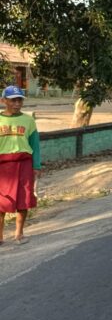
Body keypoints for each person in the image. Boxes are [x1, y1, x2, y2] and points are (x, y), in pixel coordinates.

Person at [0, 86, 41, 245]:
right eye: (13, 100)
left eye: (20, 100)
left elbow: (35, 145)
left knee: (24, 199)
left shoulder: (28, 120)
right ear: (4, 101)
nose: (17, 103)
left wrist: (36, 165)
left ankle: (19, 234)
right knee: (1, 201)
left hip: (24, 164)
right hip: (2, 166)